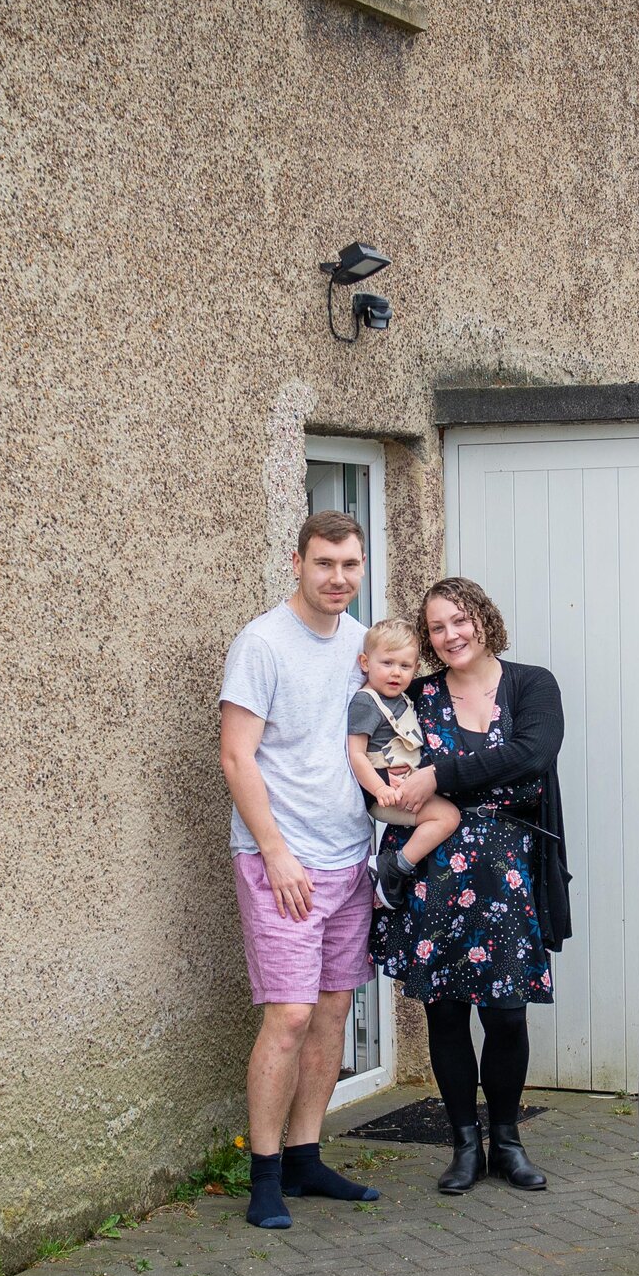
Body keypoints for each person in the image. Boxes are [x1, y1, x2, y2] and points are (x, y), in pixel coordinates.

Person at [375, 577, 571, 1195]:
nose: (450, 635)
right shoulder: (419, 694)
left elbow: (531, 755)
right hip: (436, 869)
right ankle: (464, 1143)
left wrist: (440, 774)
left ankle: (507, 1141)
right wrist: (414, 784)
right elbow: (386, 760)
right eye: (437, 627)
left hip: (508, 871)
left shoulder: (531, 684)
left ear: (484, 619)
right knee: (446, 1012)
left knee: (508, 1015)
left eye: (460, 620)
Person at [218, 511, 385, 1229]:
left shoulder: (360, 645)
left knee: (332, 1012)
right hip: (281, 862)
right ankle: (264, 1178)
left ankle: (306, 1156)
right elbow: (235, 756)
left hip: (351, 858)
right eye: (324, 563)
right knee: (286, 1016)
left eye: (350, 564)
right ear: (296, 561)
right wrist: (277, 852)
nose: (338, 578)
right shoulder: (261, 643)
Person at [347, 617, 462, 911]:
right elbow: (355, 753)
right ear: (365, 662)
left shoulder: (402, 699)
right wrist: (379, 787)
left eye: (405, 666)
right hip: (387, 793)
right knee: (447, 817)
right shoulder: (367, 703)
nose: (395, 673)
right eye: (387, 663)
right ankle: (393, 868)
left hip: (407, 784)